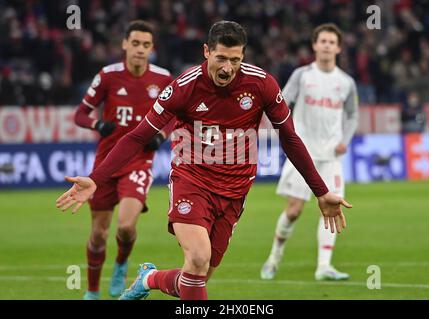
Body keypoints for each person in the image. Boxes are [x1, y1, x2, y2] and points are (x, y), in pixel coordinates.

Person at [57, 20, 351, 300]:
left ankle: (149, 279)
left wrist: (321, 191)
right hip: (192, 181)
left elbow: (289, 137)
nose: (228, 68)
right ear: (206, 51)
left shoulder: (262, 84)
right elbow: (136, 136)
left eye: (235, 60)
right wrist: (96, 179)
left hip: (235, 192)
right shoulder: (184, 87)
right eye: (221, 58)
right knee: (198, 258)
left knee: (195, 277)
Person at [73, 20, 173, 300]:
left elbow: (176, 113)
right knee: (98, 235)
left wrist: (162, 135)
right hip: (106, 164)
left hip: (139, 162)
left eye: (146, 45)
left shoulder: (164, 79)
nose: (140, 50)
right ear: (125, 44)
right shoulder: (107, 75)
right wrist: (97, 125)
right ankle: (92, 291)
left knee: (126, 227)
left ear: (152, 48)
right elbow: (81, 113)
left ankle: (120, 264)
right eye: (136, 43)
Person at [260, 23, 359, 281]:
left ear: (338, 47)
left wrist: (345, 140)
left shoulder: (346, 82)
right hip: (302, 155)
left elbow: (352, 115)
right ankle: (274, 256)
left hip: (331, 157)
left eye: (331, 42)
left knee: (333, 207)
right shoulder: (302, 75)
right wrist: (285, 132)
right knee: (293, 211)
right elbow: (281, 102)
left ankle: (323, 267)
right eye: (322, 41)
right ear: (315, 45)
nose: (326, 45)